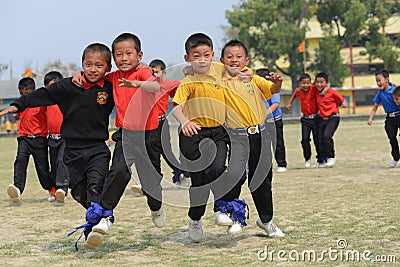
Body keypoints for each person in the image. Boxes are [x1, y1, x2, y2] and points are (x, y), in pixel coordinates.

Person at [0, 43, 114, 250]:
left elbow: (133, 81)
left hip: (98, 149)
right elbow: (42, 94)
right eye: (88, 64)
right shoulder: (68, 86)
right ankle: (97, 221)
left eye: (99, 65)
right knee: (79, 192)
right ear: (82, 65)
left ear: (108, 68)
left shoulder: (109, 86)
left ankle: (102, 221)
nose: (93, 69)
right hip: (72, 150)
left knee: (95, 186)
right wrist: (18, 105)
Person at [73, 33, 162, 245]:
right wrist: (79, 73)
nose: (123, 58)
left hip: (148, 136)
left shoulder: (143, 72)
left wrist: (136, 84)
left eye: (128, 53)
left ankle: (156, 206)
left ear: (139, 55)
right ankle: (105, 215)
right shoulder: (113, 78)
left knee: (151, 181)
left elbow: (155, 87)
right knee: (119, 171)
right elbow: (93, 77)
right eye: (119, 54)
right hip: (127, 135)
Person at [212, 40, 285, 237]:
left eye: (238, 57)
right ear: (222, 60)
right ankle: (233, 214)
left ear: (247, 60)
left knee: (262, 180)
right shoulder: (220, 81)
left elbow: (273, 90)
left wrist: (277, 82)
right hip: (236, 137)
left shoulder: (253, 79)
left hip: (260, 135)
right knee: (235, 174)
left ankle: (266, 220)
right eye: (229, 57)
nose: (234, 60)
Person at [172, 33, 232, 242]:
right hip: (194, 134)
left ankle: (220, 210)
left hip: (218, 132)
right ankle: (195, 219)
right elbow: (177, 108)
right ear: (187, 57)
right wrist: (185, 122)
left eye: (206, 55)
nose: (202, 59)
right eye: (196, 56)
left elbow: (239, 68)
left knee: (217, 169)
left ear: (213, 55)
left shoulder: (220, 71)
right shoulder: (188, 81)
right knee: (199, 182)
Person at [130, 58, 189, 196]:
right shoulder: (144, 85)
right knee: (148, 153)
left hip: (162, 124)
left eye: (158, 72)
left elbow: (183, 89)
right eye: (152, 72)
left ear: (164, 73)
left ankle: (183, 173)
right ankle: (149, 182)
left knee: (166, 152)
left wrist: (189, 76)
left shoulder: (168, 84)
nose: (155, 75)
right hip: (146, 125)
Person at [5, 77, 55, 205]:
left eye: (27, 93)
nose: (24, 97)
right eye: (22, 94)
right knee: (20, 161)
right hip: (24, 139)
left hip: (39, 139)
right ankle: (17, 189)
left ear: (34, 91)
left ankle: (51, 189)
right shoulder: (20, 104)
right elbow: (14, 112)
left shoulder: (42, 103)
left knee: (42, 169)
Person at [44, 71, 70, 204]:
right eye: (49, 86)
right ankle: (53, 190)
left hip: (65, 137)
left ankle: (62, 189)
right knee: (53, 165)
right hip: (51, 138)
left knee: (61, 161)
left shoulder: (67, 99)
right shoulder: (46, 102)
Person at [286, 73, 321, 168]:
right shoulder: (298, 91)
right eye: (303, 83)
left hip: (316, 118)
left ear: (311, 83)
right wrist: (289, 103)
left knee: (317, 140)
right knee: (305, 140)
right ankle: (307, 159)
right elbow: (294, 94)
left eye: (308, 83)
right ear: (299, 84)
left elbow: (325, 86)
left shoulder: (314, 88)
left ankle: (320, 159)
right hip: (305, 119)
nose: (305, 85)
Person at [257, 68, 287, 172]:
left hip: (274, 120)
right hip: (262, 122)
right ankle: (266, 165)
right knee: (263, 144)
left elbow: (275, 104)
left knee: (277, 142)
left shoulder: (272, 89)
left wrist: (264, 114)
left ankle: (282, 164)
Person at [368, 70, 400, 167]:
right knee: (391, 138)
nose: (378, 83)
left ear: (386, 79)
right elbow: (375, 107)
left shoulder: (395, 89)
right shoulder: (380, 94)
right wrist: (370, 118)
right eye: (376, 81)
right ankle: (395, 157)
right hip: (390, 118)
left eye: (380, 80)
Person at [315, 72, 348, 167]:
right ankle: (323, 160)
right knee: (320, 139)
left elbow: (342, 100)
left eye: (322, 82)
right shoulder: (316, 91)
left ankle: (331, 157)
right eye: (317, 82)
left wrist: (344, 104)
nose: (319, 84)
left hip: (333, 117)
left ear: (327, 83)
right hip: (322, 118)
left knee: (327, 136)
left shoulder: (332, 92)